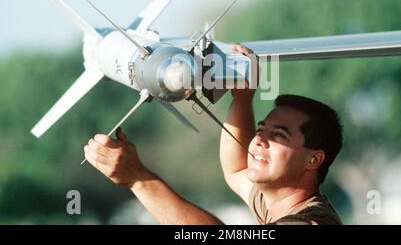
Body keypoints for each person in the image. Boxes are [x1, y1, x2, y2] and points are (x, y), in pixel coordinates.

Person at [83, 45, 343, 225]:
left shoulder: (311, 221)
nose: (259, 140)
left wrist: (138, 178)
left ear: (313, 160)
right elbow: (236, 170)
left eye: (279, 136)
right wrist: (242, 100)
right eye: (261, 129)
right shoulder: (279, 203)